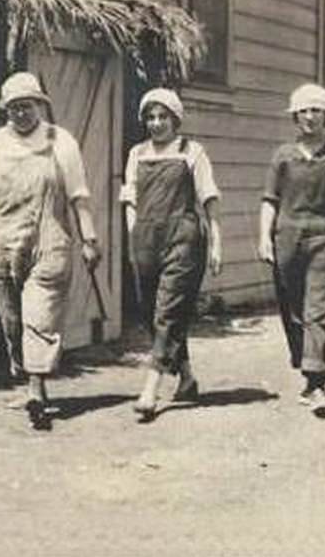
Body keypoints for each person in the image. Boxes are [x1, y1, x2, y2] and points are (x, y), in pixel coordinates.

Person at [0, 71, 101, 430]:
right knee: (13, 323)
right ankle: (31, 374)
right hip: (0, 244)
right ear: (6, 110)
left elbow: (78, 197)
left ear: (41, 105)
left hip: (49, 243)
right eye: (15, 107)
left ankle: (36, 389)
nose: (22, 113)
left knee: (40, 316)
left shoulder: (60, 141)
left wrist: (90, 239)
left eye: (28, 106)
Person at [120, 88, 223, 420]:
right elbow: (130, 200)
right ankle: (188, 378)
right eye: (150, 117)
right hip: (145, 239)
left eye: (163, 116)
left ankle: (152, 387)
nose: (156, 123)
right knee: (154, 312)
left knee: (168, 309)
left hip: (183, 237)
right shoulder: (137, 153)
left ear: (175, 119)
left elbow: (209, 200)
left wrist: (217, 243)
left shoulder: (192, 151)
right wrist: (132, 236)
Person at [257, 83, 325, 418]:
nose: (310, 117)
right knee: (294, 309)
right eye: (304, 111)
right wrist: (263, 238)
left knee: (319, 310)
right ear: (295, 116)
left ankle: (317, 383)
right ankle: (307, 370)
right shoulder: (283, 155)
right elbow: (269, 201)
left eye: (316, 111)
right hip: (287, 239)